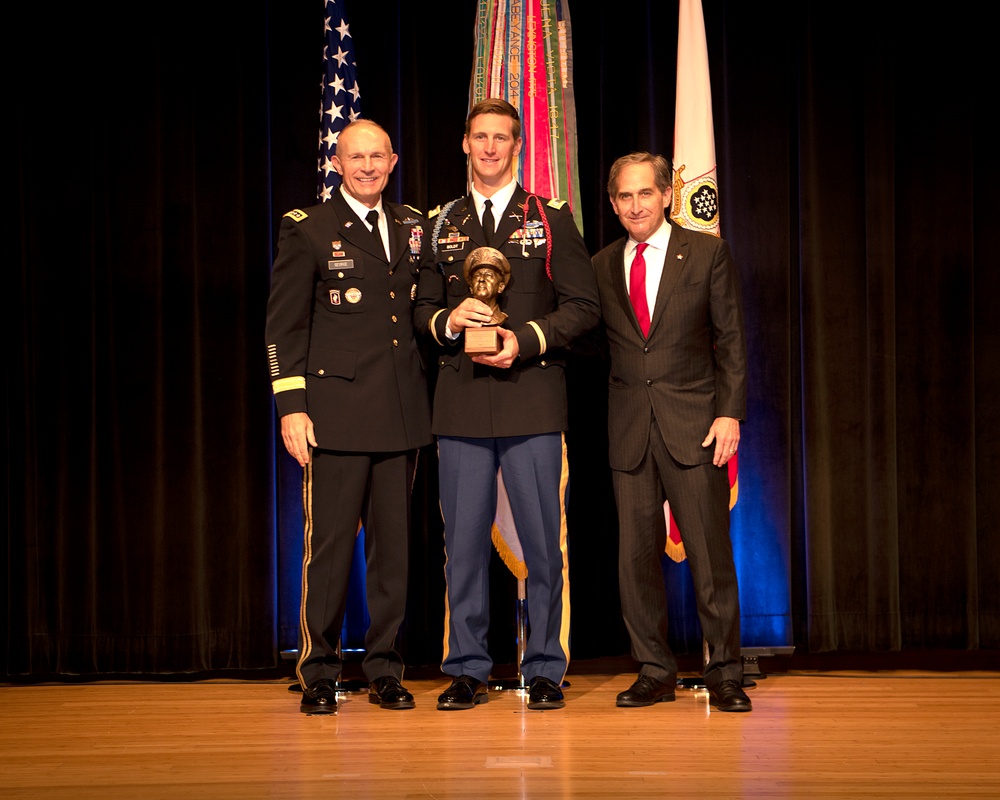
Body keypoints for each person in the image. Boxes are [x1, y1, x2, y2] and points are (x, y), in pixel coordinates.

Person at [415, 98, 600, 711]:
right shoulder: (441, 223)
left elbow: (582, 307)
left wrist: (524, 340)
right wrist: (447, 319)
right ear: (464, 144)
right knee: (462, 546)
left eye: (502, 138)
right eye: (480, 137)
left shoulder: (549, 217)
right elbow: (418, 309)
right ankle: (466, 667)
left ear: (518, 146)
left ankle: (545, 666)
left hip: (532, 402)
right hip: (462, 403)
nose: (491, 148)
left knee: (544, 543)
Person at [265, 119, 432, 715]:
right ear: (337, 163)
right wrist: (292, 406)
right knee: (329, 552)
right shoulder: (307, 229)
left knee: (394, 555)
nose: (366, 167)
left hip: (400, 414)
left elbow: (415, 314)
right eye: (354, 157)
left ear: (393, 161)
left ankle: (385, 668)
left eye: (377, 156)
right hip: (333, 416)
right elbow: (283, 328)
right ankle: (318, 672)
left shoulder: (414, 227)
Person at [592, 152, 751, 712]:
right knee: (635, 561)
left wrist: (729, 413)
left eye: (645, 194)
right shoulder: (601, 263)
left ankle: (725, 672)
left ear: (665, 196)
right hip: (630, 430)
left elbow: (730, 339)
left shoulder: (706, 252)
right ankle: (654, 671)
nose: (635, 205)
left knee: (710, 557)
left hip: (696, 427)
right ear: (613, 205)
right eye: (624, 197)